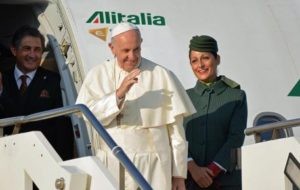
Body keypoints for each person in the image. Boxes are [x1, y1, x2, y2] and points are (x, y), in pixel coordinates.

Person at [76, 22, 196, 190]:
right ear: (112, 48)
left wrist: (178, 174)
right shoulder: (97, 75)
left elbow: (176, 133)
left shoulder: (161, 75)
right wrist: (118, 95)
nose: (132, 56)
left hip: (154, 166)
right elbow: (86, 115)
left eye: (136, 49)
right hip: (112, 165)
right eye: (126, 50)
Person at [0, 25, 74, 161]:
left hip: (41, 159)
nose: (32, 55)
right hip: (7, 158)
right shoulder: (3, 79)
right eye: (27, 49)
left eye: (37, 50)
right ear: (14, 50)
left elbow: (62, 127)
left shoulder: (54, 81)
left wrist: (64, 163)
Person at [184, 35, 248, 190]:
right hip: (189, 181)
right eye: (194, 60)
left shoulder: (236, 96)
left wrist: (211, 171)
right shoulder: (184, 97)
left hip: (224, 182)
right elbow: (176, 138)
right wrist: (192, 168)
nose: (200, 65)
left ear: (217, 59)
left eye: (205, 58)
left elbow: (236, 137)